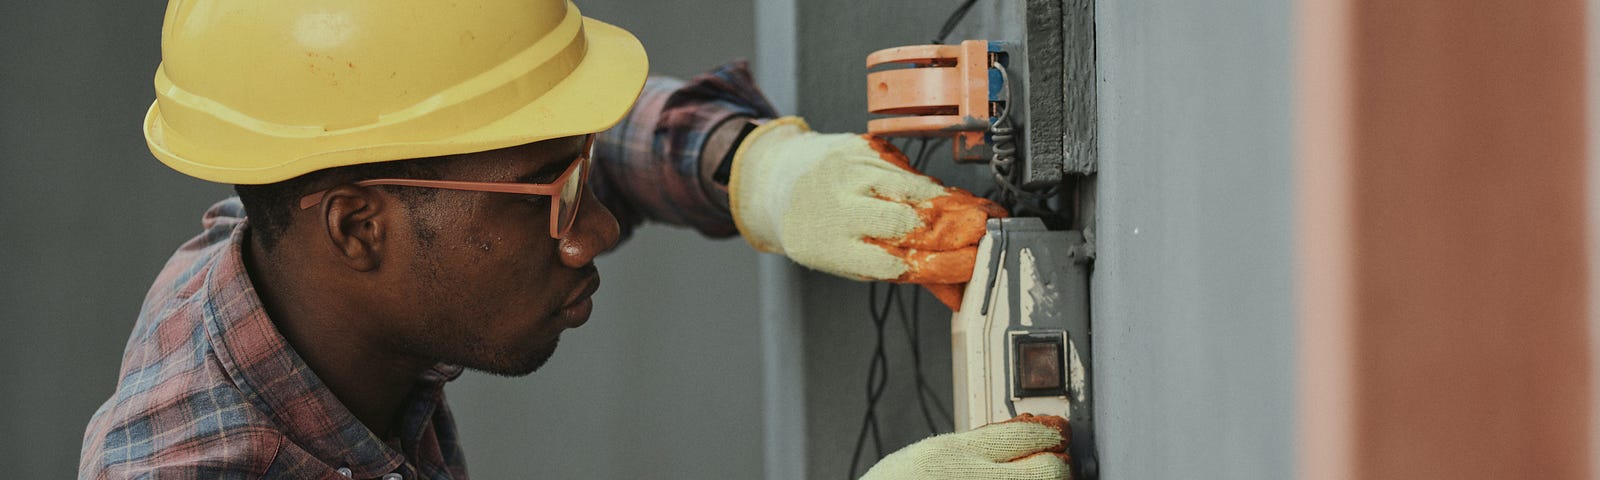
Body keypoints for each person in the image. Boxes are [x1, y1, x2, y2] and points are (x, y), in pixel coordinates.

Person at [79, 1, 1072, 478]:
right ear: (359, 226)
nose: (595, 228)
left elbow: (502, 145)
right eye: (553, 197)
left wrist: (754, 169)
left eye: (581, 171)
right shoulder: (189, 463)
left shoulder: (291, 240)